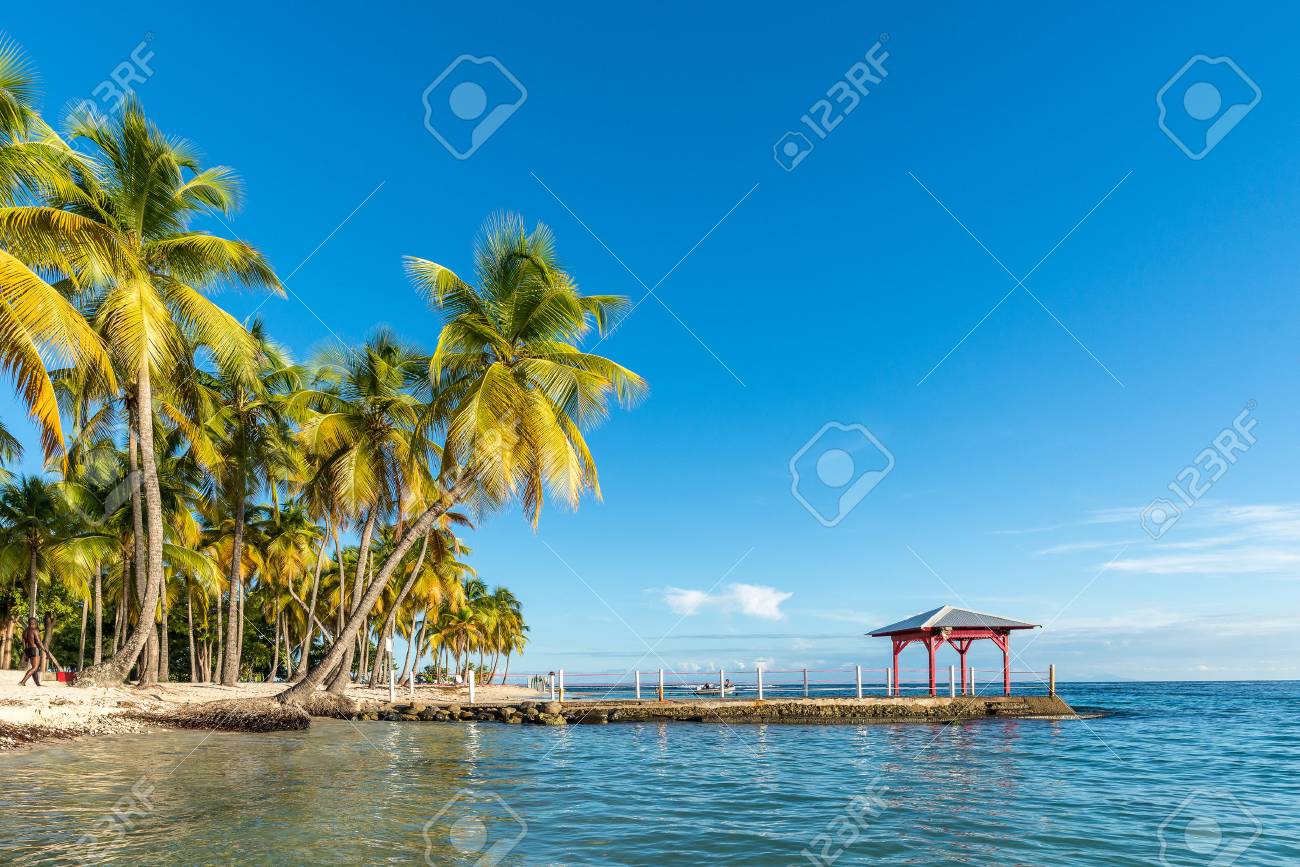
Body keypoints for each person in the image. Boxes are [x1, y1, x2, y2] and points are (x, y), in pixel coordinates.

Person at [18, 617, 49, 687]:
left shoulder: (25, 631)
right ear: (34, 623)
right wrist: (44, 649)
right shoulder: (35, 630)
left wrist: (25, 652)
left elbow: (23, 642)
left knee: (35, 668)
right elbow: (38, 641)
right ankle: (23, 682)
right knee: (35, 667)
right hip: (35, 649)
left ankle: (37, 683)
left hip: (28, 649)